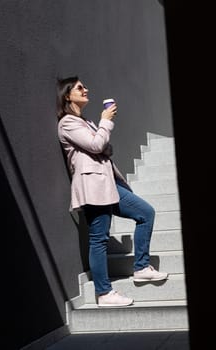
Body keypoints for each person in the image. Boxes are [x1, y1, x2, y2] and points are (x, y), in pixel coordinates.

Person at [57, 76, 168, 307]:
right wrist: (105, 121)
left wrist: (101, 133)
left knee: (145, 213)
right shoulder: (67, 122)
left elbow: (103, 147)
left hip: (108, 183)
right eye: (80, 88)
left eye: (85, 86)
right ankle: (104, 293)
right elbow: (97, 146)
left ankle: (141, 267)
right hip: (92, 186)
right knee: (99, 239)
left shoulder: (85, 122)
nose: (86, 89)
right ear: (68, 95)